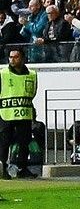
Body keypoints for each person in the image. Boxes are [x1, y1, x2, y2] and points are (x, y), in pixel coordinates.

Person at [1, 48, 38, 178]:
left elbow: (32, 92)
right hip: (7, 113)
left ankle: (22, 168)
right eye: (10, 57)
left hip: (24, 112)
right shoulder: (3, 74)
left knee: (25, 141)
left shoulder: (32, 74)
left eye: (15, 57)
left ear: (22, 58)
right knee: (5, 142)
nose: (12, 60)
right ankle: (3, 168)